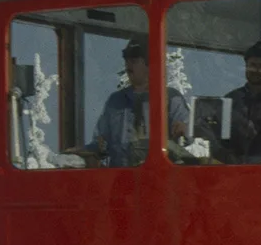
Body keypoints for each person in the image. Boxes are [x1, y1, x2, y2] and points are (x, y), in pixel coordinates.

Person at [74, 38, 189, 167]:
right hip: (121, 178)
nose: (128, 66)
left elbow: (187, 139)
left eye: (134, 61)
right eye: (126, 61)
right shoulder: (116, 101)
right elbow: (100, 142)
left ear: (149, 64)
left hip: (158, 177)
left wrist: (183, 131)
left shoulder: (171, 99)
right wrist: (86, 151)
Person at [220, 40, 261, 163]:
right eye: (252, 65)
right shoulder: (231, 100)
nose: (256, 70)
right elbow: (220, 138)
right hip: (237, 170)